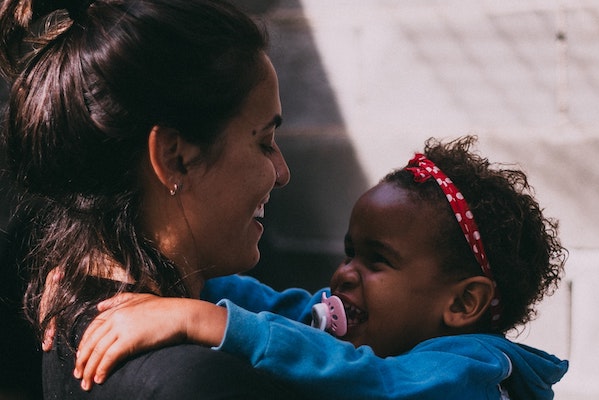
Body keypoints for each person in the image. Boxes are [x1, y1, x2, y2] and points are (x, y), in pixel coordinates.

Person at [74, 136, 570, 399]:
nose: (345, 273)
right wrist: (156, 275)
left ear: (463, 303)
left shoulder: (470, 374)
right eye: (350, 252)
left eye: (378, 261)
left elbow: (375, 382)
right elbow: (290, 311)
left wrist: (203, 320)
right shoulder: (388, 333)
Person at [0, 0, 298, 398]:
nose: (282, 173)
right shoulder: (201, 381)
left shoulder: (72, 316)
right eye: (264, 142)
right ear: (173, 158)